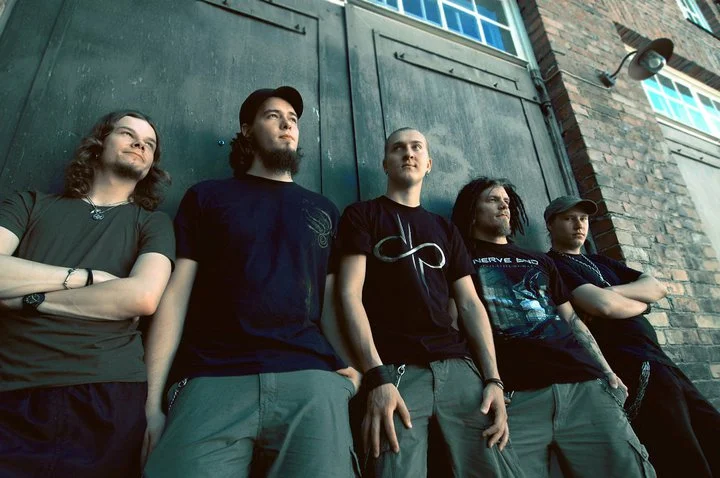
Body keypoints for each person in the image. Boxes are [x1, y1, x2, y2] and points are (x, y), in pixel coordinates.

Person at [143, 86, 360, 478]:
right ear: (246, 130)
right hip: (212, 377)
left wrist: (351, 369)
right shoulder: (208, 197)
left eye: (293, 120)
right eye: (273, 116)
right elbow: (175, 296)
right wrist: (151, 402)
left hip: (309, 379)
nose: (287, 125)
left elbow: (329, 304)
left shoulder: (323, 209)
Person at [336, 128, 523, 478]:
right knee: (393, 469)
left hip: (459, 369)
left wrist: (494, 380)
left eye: (416, 147)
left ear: (429, 163)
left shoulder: (445, 229)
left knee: (493, 467)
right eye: (398, 148)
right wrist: (376, 376)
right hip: (395, 370)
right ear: (385, 163)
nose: (408, 153)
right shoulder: (362, 215)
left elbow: (470, 305)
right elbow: (348, 295)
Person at [0, 110, 175, 477]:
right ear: (99, 144)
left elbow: (141, 297)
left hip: (107, 392)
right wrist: (89, 278)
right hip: (15, 388)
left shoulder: (153, 223)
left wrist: (31, 299)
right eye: (127, 134)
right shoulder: (30, 203)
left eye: (149, 143)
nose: (140, 144)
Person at [451, 177, 656, 478]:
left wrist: (607, 371)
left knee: (628, 470)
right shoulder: (462, 259)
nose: (504, 205)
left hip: (583, 385)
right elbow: (456, 325)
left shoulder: (538, 260)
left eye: (506, 201)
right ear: (472, 210)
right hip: (516, 396)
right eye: (492, 199)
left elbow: (571, 320)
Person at [545, 195, 720, 478]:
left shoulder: (600, 261)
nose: (579, 225)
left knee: (711, 431)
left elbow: (657, 287)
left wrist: (614, 292)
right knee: (682, 453)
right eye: (569, 218)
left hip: (661, 361)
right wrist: (640, 303)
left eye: (584, 218)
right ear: (550, 224)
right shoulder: (553, 265)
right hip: (633, 365)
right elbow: (602, 306)